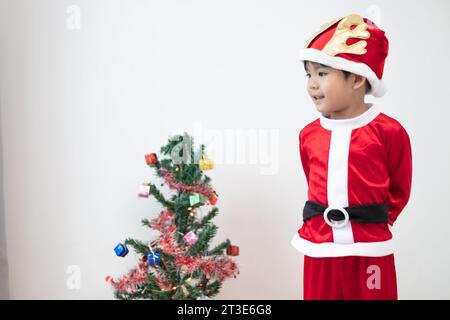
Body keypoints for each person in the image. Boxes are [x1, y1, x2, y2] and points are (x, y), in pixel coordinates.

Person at [291, 13, 412, 300]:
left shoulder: (389, 131)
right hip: (319, 245)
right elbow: (313, 179)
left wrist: (372, 222)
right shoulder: (308, 134)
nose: (312, 84)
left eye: (322, 74)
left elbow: (399, 189)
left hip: (370, 249)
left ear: (356, 78)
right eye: (309, 74)